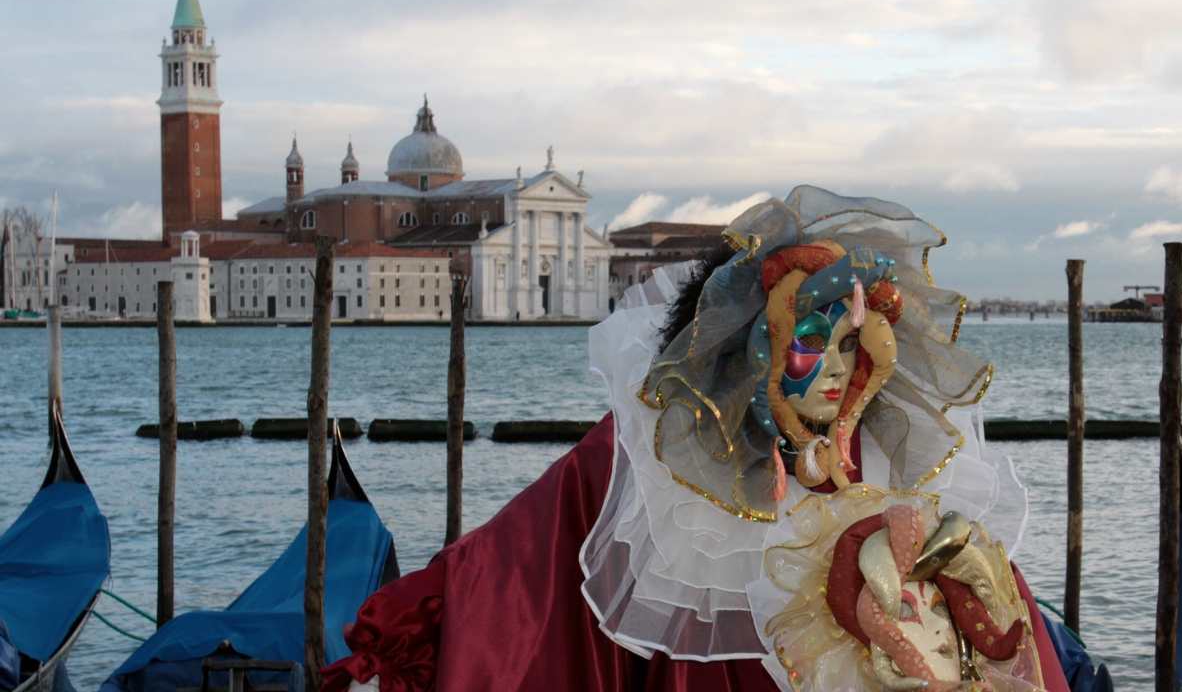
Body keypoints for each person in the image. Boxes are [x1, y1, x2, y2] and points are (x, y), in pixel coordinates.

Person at [323, 186, 1069, 692]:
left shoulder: (888, 461)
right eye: (812, 344)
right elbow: (522, 560)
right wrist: (419, 614)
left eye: (852, 345)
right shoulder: (657, 457)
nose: (838, 372)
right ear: (753, 348)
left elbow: (996, 614)